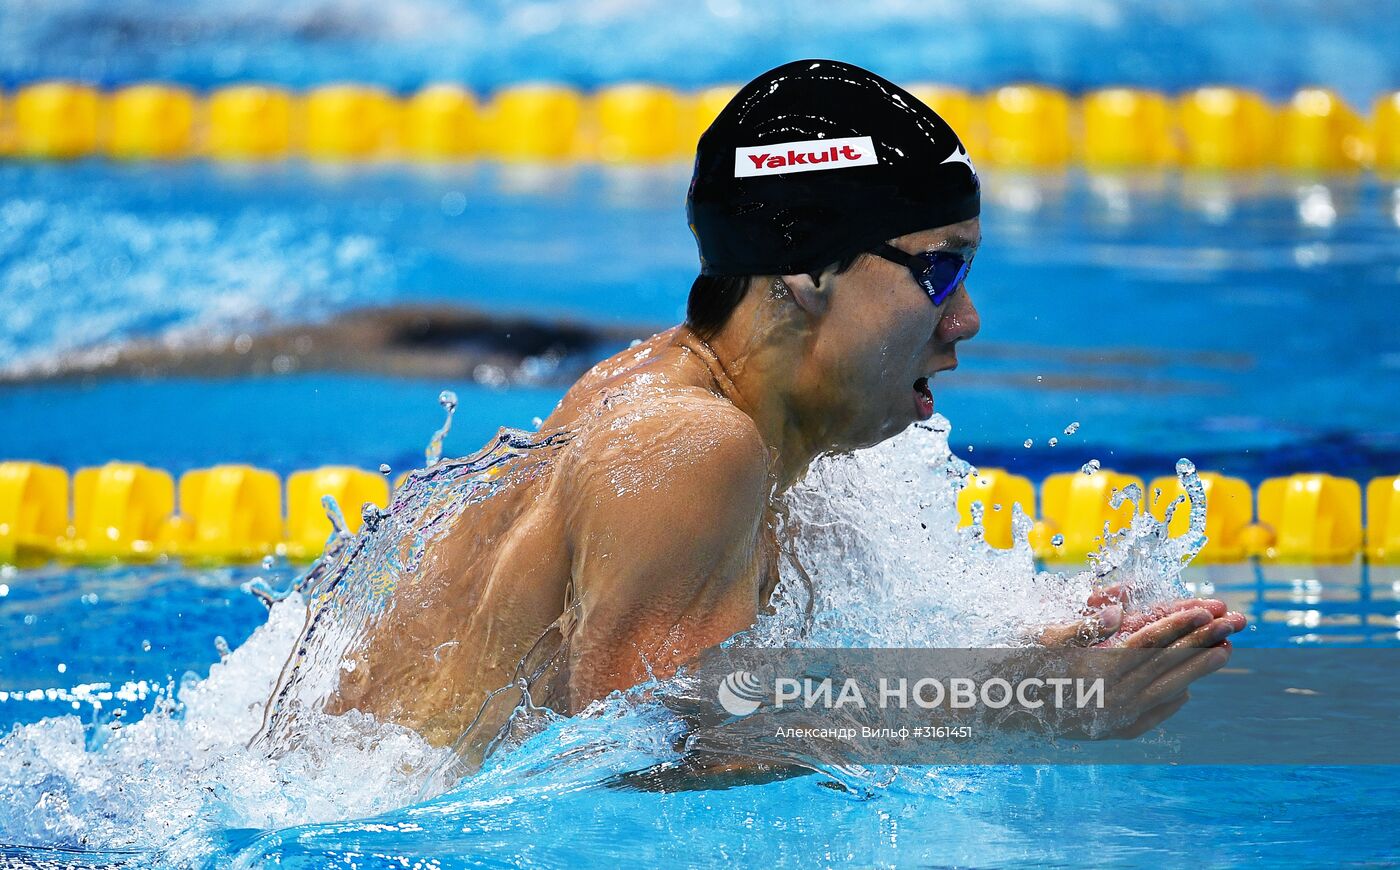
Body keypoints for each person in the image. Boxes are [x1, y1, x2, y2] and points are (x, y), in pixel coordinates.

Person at [322, 60, 1246, 753]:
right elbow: (643, 750)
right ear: (805, 273)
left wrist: (1015, 649)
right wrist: (1035, 707)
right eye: (940, 268)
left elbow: (718, 690)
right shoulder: (693, 440)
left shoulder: (695, 402)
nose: (966, 318)